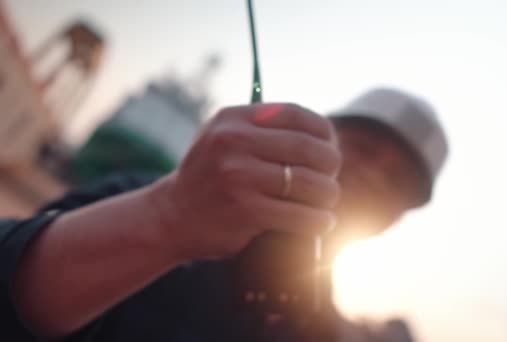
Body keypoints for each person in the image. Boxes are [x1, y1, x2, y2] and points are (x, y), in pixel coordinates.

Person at [0, 88, 448, 342]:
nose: (371, 177)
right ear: (317, 139)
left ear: (399, 216)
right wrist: (167, 219)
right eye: (363, 148)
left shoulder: (323, 331)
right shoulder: (147, 200)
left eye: (398, 182)